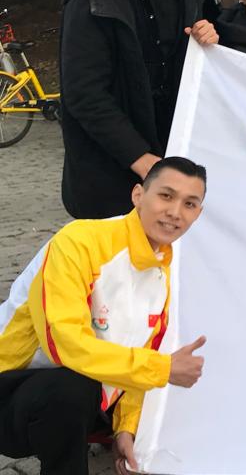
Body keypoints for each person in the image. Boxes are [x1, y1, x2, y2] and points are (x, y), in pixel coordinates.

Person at [0, 157, 210, 475]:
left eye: (189, 204)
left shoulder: (163, 270)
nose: (175, 212)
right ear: (138, 195)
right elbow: (65, 345)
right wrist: (163, 368)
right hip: (11, 390)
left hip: (78, 396)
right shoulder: (79, 242)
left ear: (198, 214)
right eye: (166, 196)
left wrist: (126, 428)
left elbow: (142, 352)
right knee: (73, 389)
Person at [59, 0, 219, 220]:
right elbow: (84, 95)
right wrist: (143, 160)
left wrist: (208, 38)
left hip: (171, 162)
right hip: (109, 171)